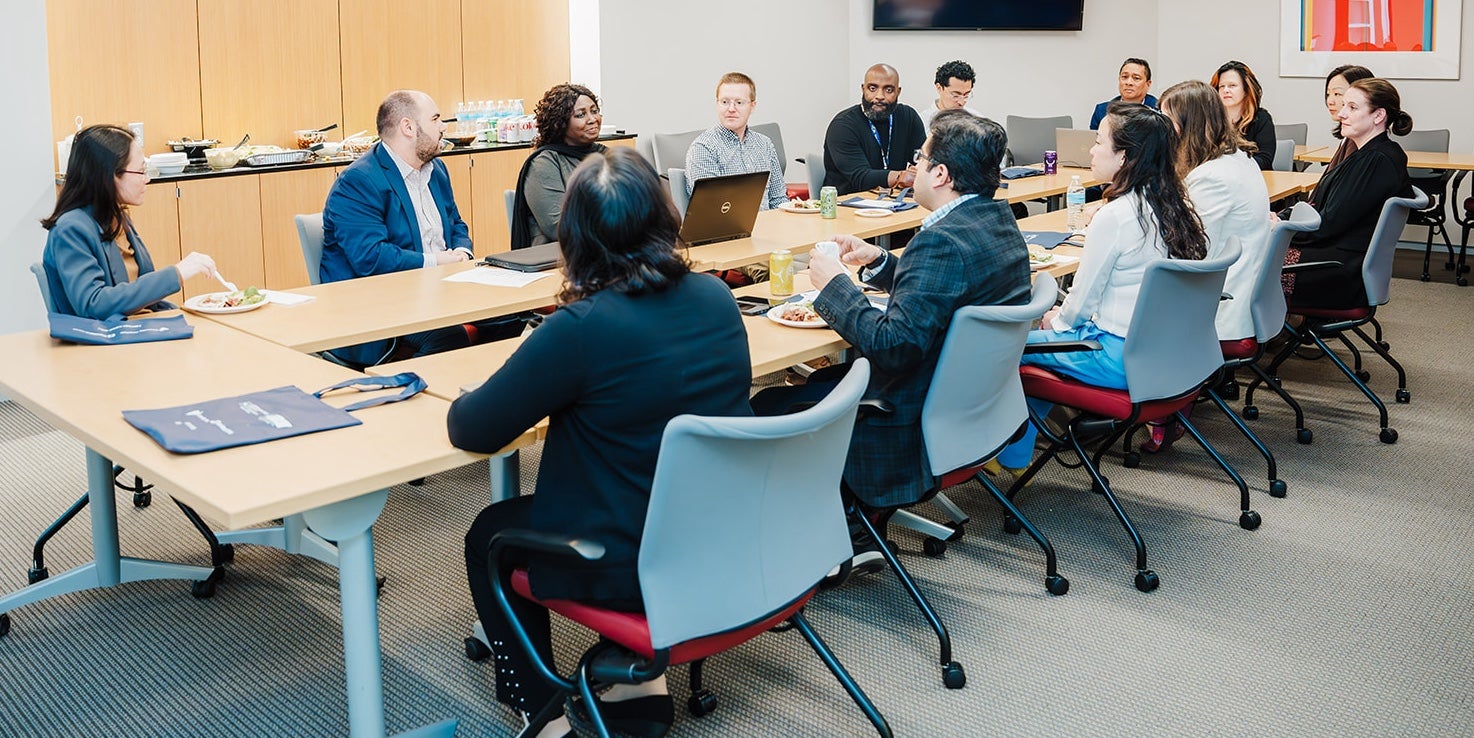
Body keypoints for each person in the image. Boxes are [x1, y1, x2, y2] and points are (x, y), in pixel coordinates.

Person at [456, 147, 752, 738]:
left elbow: (474, 429)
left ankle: (541, 712)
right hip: (717, 530)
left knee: (491, 533)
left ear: (574, 235)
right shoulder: (716, 297)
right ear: (666, 218)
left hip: (627, 555)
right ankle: (638, 679)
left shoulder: (582, 329)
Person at [752, 111, 1031, 564]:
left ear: (940, 174)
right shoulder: (995, 221)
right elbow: (949, 291)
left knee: (766, 405)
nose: (915, 166)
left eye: (920, 159)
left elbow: (895, 347)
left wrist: (833, 286)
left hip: (905, 412)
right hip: (968, 403)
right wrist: (879, 262)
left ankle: (843, 528)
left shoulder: (940, 240)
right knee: (812, 387)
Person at [993, 103, 1208, 474]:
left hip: (1118, 357)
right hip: (1170, 354)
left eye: (1098, 142)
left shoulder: (1116, 216)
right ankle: (1017, 453)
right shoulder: (1175, 204)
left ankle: (1008, 457)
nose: (1091, 151)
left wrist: (1056, 322)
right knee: (1045, 344)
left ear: (1124, 157)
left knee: (1010, 348)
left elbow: (1081, 301)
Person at [321, 90, 513, 366]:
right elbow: (371, 258)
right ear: (408, 127)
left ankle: (478, 394)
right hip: (377, 306)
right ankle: (409, 396)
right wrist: (438, 261)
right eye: (435, 119)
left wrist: (462, 252)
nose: (444, 127)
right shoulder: (358, 182)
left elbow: (456, 223)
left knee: (511, 316)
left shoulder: (437, 169)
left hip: (439, 292)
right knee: (447, 337)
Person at [1154, 80, 1271, 452]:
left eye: (1166, 119)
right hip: (1235, 290)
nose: (1161, 127)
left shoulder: (1212, 177)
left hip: (1218, 305)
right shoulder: (1237, 160)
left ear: (1189, 125)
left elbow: (1183, 246)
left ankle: (1147, 402)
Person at [41, 124, 218, 319]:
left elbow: (141, 294)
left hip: (140, 326)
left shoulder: (117, 216)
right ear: (109, 176)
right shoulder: (70, 229)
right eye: (141, 171)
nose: (146, 179)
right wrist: (176, 274)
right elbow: (94, 303)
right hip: (108, 341)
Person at [1283, 78, 1413, 311]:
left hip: (1339, 268)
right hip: (1341, 256)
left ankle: (1252, 337)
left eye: (1352, 107)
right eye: (1344, 106)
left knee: (1255, 261)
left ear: (1378, 116)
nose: (1342, 114)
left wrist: (1281, 231)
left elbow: (1327, 224)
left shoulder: (1375, 161)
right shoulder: (1369, 154)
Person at [511, 83, 606, 248]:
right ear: (560, 123)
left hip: (608, 247)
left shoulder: (606, 155)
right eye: (581, 115)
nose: (592, 119)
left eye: (594, 111)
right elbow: (558, 227)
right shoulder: (544, 163)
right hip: (562, 257)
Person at [684, 72, 786, 210]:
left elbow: (778, 200)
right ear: (717, 104)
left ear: (752, 106)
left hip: (768, 227)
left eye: (739, 102)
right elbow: (710, 209)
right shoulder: (703, 148)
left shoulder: (764, 144)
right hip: (726, 230)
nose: (731, 109)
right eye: (725, 102)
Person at [822, 63, 926, 194]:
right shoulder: (843, 125)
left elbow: (923, 159)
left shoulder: (908, 117)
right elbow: (860, 178)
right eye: (872, 88)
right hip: (848, 203)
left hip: (893, 201)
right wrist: (900, 176)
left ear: (898, 92)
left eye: (888, 90)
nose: (880, 96)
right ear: (863, 89)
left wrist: (921, 170)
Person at [1211, 60, 1276, 170]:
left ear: (1246, 90)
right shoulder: (1210, 118)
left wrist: (1230, 167)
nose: (1225, 90)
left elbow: (1264, 160)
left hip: (1252, 179)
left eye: (1232, 85)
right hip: (1216, 179)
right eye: (1221, 86)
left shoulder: (1261, 119)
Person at [1322, 65, 1375, 168]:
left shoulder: (1359, 142)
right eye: (1328, 94)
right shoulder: (1350, 138)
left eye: (1337, 94)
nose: (1330, 101)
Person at [1089, 58, 1157, 130]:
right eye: (1124, 77)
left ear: (1148, 84)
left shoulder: (1158, 110)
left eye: (1136, 78)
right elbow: (1093, 139)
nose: (1129, 82)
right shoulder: (1102, 110)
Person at [918, 60, 984, 130]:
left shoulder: (977, 120)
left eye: (966, 95)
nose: (961, 102)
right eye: (956, 95)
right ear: (939, 87)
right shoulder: (922, 122)